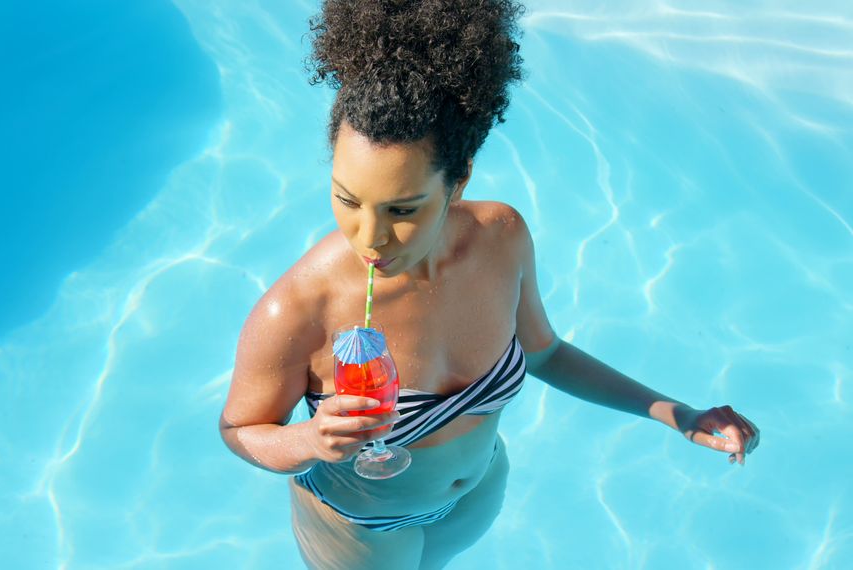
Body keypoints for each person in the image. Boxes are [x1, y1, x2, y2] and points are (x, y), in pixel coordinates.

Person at [218, 1, 761, 568]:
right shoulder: (301, 308)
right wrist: (307, 443)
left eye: (403, 208)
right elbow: (239, 430)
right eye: (347, 199)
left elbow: (546, 353)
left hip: (477, 495)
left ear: (460, 179)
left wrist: (680, 415)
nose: (370, 237)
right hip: (364, 528)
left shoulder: (500, 237)